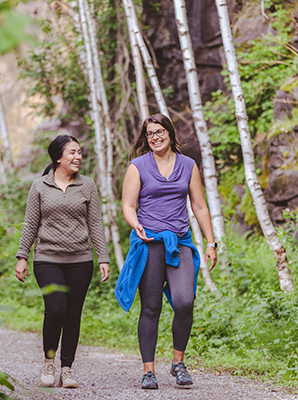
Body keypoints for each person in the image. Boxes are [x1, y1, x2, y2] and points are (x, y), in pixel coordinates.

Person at [115, 113, 217, 390]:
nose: (155, 137)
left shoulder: (188, 165)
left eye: (159, 132)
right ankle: (149, 371)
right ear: (145, 138)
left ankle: (178, 363)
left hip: (180, 242)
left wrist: (210, 242)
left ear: (170, 133)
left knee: (185, 301)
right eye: (150, 134)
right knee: (151, 307)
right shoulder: (137, 166)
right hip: (149, 243)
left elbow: (199, 207)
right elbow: (128, 205)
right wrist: (135, 224)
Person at [15, 135, 110, 389]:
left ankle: (66, 369)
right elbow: (31, 224)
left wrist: (103, 257)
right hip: (47, 258)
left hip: (80, 259)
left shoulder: (87, 185)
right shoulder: (39, 186)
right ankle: (49, 362)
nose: (78, 156)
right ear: (58, 157)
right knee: (56, 308)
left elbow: (95, 225)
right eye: (72, 152)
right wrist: (22, 255)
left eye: (79, 152)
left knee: (73, 314)